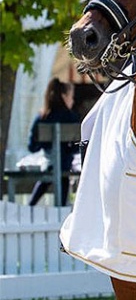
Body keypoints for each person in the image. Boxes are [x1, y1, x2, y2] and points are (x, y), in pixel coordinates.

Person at [28, 78, 80, 206]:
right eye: (71, 97)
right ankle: (61, 210)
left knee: (47, 176)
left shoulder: (42, 117)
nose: (73, 101)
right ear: (64, 96)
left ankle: (30, 206)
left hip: (48, 165)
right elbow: (75, 147)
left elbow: (32, 147)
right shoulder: (71, 117)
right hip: (65, 167)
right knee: (63, 175)